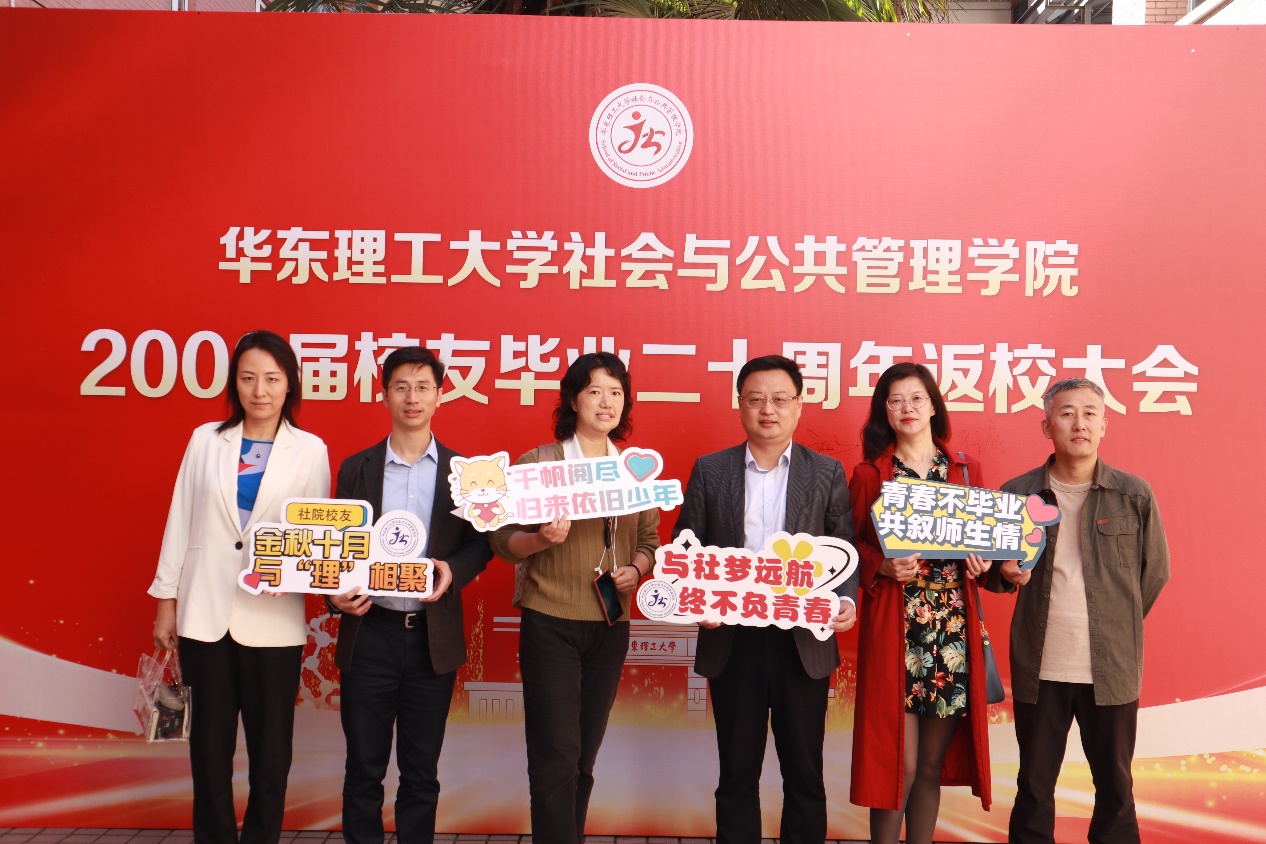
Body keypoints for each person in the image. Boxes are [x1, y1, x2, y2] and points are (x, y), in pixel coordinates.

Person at [149, 330, 331, 844]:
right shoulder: (206, 440)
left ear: (290, 383)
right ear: (234, 383)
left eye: (272, 379)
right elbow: (179, 520)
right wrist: (166, 602)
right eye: (248, 378)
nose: (260, 390)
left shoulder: (310, 450)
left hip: (273, 620)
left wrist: (292, 571)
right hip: (204, 615)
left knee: (271, 756)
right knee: (208, 752)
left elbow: (315, 534)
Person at [672, 354, 858, 844]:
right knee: (736, 776)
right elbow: (685, 546)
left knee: (805, 776)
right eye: (756, 399)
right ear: (740, 405)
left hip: (803, 640)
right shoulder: (711, 470)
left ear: (799, 406)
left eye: (779, 399)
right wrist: (697, 602)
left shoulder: (826, 472)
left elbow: (844, 546)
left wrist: (846, 601)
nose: (767, 409)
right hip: (733, 640)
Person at [490, 352, 661, 844]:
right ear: (572, 400)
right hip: (550, 620)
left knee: (584, 754)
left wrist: (636, 569)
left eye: (616, 392)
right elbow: (502, 540)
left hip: (610, 622)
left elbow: (649, 541)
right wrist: (540, 540)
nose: (606, 402)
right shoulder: (539, 464)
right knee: (555, 754)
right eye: (594, 391)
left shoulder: (633, 469)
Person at [991, 377, 1170, 844]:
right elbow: (994, 574)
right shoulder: (1016, 494)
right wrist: (1005, 573)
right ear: (1046, 425)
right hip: (1040, 666)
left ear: (1104, 425)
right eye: (1067, 413)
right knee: (1033, 787)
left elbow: (1154, 573)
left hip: (1111, 669)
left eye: (1090, 413)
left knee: (1115, 788)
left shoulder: (1133, 494)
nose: (1079, 424)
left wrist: (1116, 625)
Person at [327, 346, 492, 844]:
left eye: (423, 387)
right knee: (363, 769)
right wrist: (335, 596)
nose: (412, 397)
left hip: (430, 638)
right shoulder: (356, 468)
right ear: (385, 396)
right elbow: (334, 546)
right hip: (370, 632)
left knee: (421, 773)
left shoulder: (465, 473)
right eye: (401, 387)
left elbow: (481, 544)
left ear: (440, 396)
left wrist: (453, 571)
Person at [847, 362, 993, 844]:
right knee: (900, 764)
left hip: (951, 628)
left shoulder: (965, 471)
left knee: (929, 766)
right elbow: (846, 548)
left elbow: (988, 544)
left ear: (933, 406)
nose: (907, 408)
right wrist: (881, 567)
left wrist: (982, 563)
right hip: (898, 626)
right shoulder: (871, 474)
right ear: (884, 412)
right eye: (895, 401)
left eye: (916, 398)